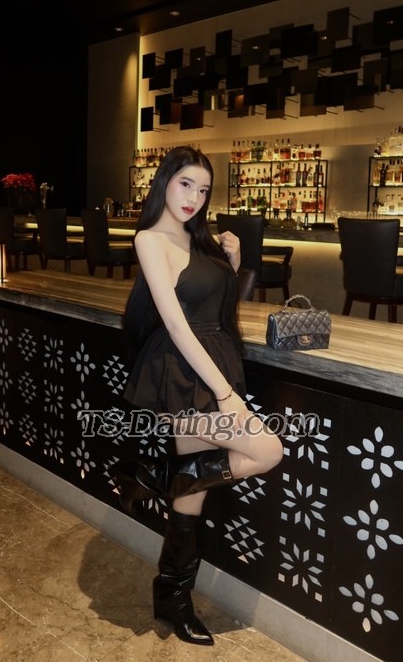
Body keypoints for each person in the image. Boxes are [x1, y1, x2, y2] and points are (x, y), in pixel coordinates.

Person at [110, 145, 283, 646]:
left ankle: (172, 596)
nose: (194, 197)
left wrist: (234, 261)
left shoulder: (201, 239)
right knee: (268, 449)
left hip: (214, 362)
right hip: (183, 372)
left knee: (192, 497)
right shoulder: (150, 239)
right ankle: (155, 475)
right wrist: (225, 394)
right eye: (185, 183)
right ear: (164, 180)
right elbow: (177, 324)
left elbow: (220, 310)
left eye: (203, 190)